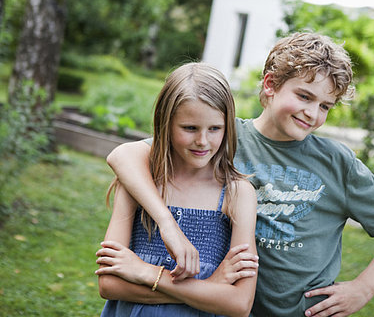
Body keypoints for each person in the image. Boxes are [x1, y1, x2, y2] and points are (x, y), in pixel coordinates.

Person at [106, 31, 374, 317]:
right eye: (304, 96)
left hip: (304, 310)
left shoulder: (336, 162)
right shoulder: (221, 136)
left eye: (325, 106)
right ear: (270, 84)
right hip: (220, 300)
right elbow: (123, 155)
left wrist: (366, 287)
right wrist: (167, 224)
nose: (313, 113)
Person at [95, 62, 258, 317]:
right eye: (190, 128)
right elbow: (109, 284)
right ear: (166, 124)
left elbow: (238, 303)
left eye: (215, 128)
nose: (203, 141)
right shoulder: (139, 184)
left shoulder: (238, 194)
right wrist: (209, 288)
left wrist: (146, 272)